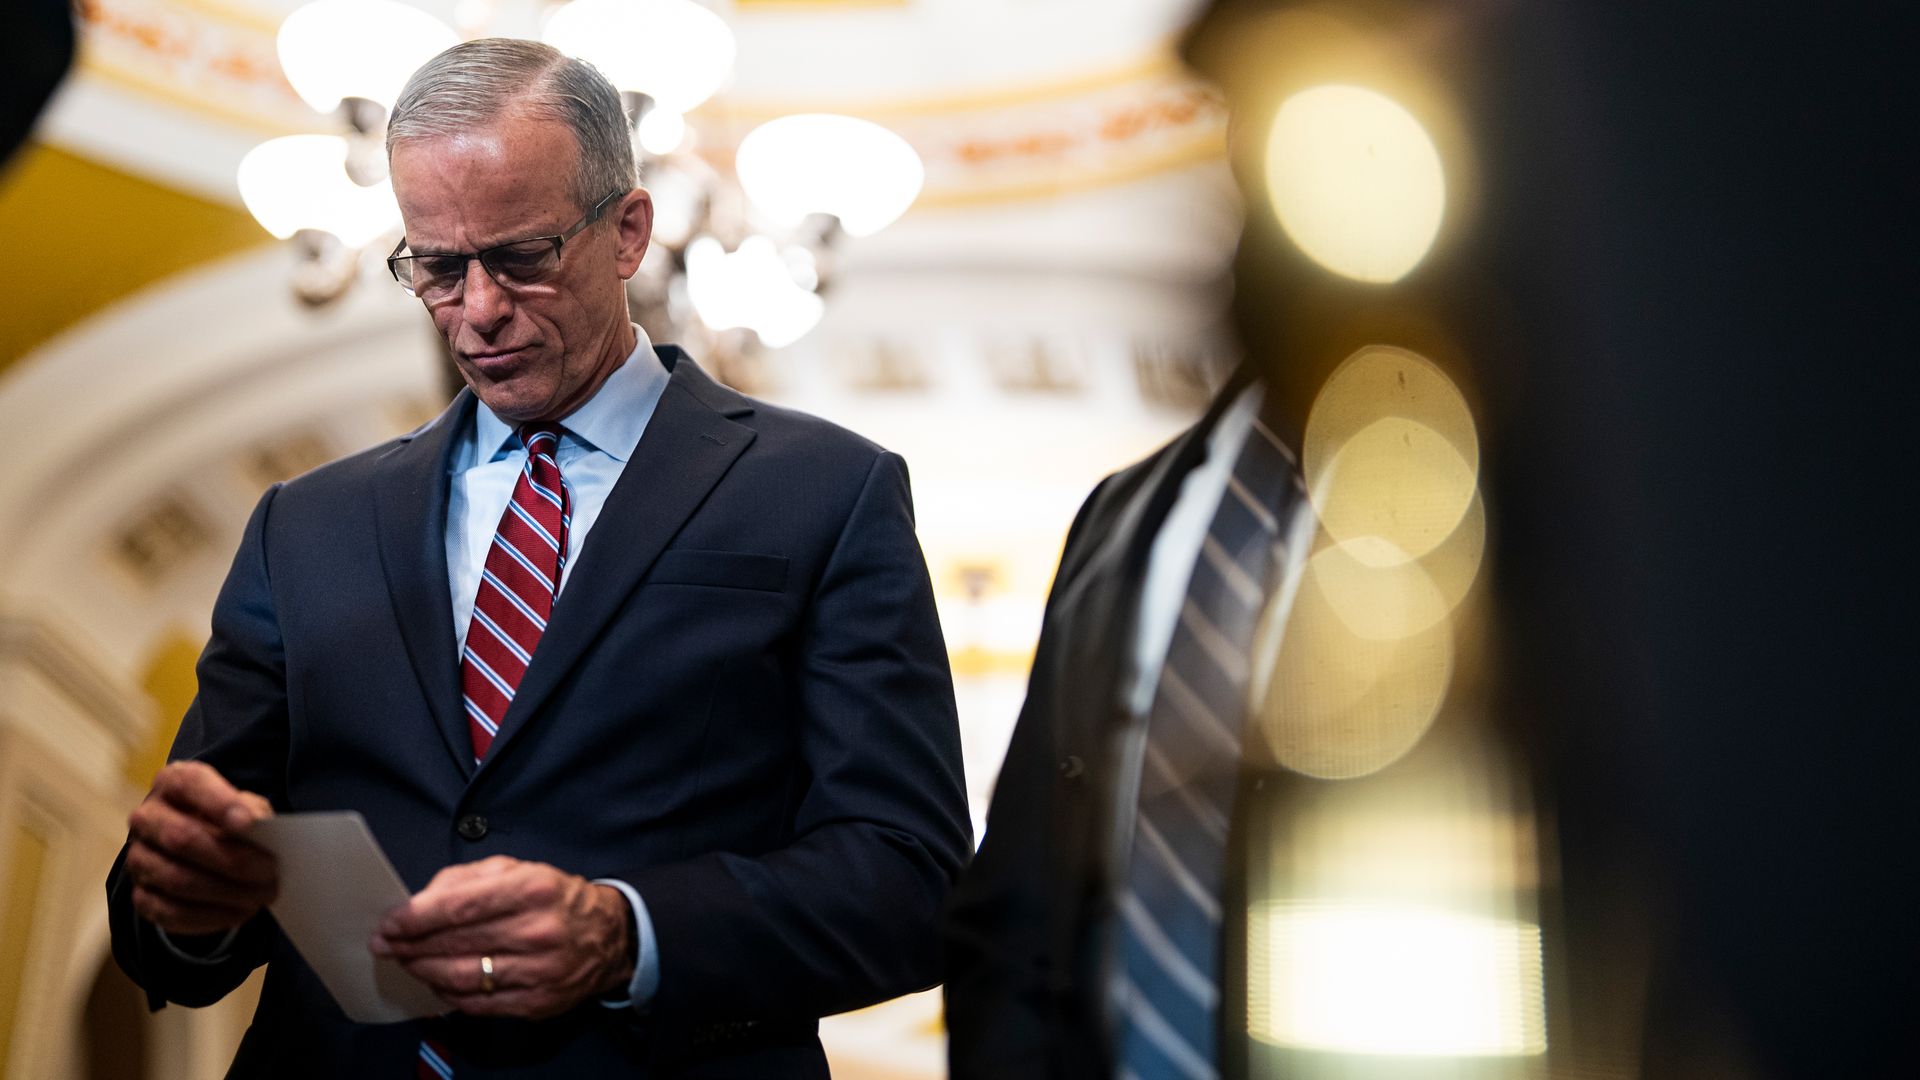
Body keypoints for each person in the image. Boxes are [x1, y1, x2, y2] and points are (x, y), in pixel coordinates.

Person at [105, 38, 971, 1077]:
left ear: (629, 230)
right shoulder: (305, 525)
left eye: (520, 258)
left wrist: (625, 932)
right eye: (435, 267)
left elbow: (911, 881)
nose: (476, 311)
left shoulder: (828, 491)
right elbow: (173, 904)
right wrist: (189, 905)